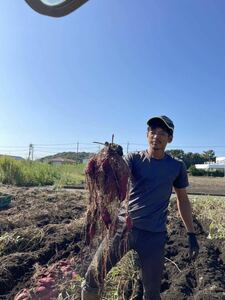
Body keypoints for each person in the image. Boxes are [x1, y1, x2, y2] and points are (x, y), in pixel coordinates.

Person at [81, 115, 199, 300]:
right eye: (152, 131)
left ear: (170, 138)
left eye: (162, 133)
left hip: (154, 235)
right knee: (92, 278)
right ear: (146, 134)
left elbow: (182, 200)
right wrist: (112, 157)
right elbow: (118, 172)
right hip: (123, 229)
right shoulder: (135, 159)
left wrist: (191, 234)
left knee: (152, 293)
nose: (156, 136)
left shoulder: (176, 166)